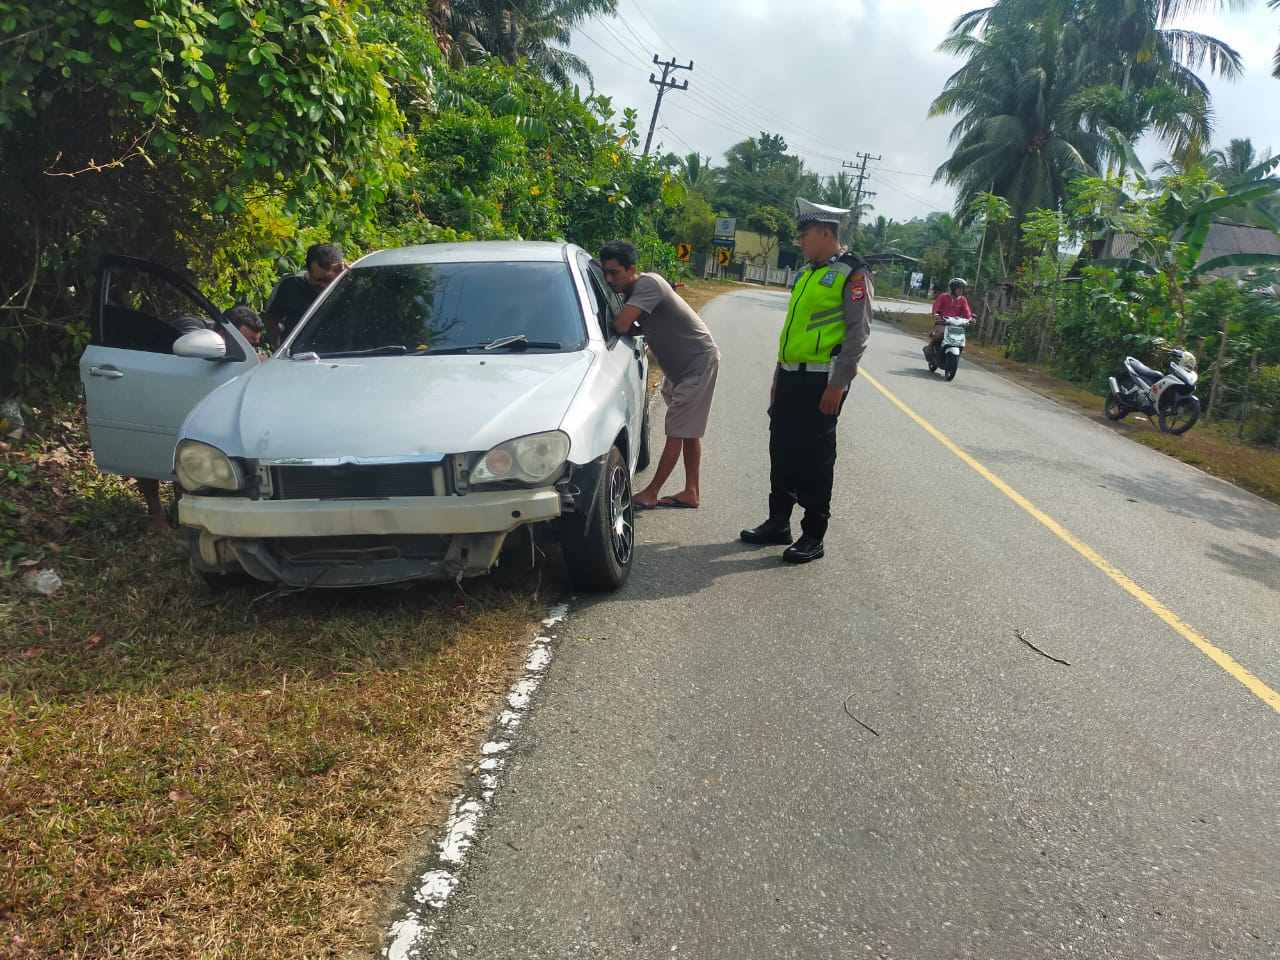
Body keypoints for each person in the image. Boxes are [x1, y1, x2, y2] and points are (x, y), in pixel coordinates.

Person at [739, 199, 873, 564]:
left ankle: (813, 535)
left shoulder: (852, 273)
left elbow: (857, 334)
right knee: (781, 449)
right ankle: (778, 522)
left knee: (816, 458)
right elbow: (792, 332)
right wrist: (777, 375)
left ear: (827, 234)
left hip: (821, 382)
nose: (801, 241)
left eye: (806, 234)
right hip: (789, 376)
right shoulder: (806, 274)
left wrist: (838, 384)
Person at [600, 240, 720, 510]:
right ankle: (691, 492)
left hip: (697, 362)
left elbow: (621, 324)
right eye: (605, 273)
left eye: (614, 272)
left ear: (632, 269)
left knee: (677, 429)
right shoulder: (634, 291)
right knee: (688, 431)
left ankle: (652, 492)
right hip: (681, 368)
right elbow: (634, 327)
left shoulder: (646, 285)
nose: (609, 280)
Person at [263, 243, 346, 345]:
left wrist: (350, 275)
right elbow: (271, 319)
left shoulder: (348, 285)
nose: (324, 285)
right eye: (319, 280)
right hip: (297, 354)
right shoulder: (290, 285)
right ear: (308, 271)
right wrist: (278, 347)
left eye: (328, 280)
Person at [929, 277, 972, 352]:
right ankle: (930, 348)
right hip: (942, 322)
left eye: (962, 289)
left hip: (956, 325)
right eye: (959, 288)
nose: (961, 291)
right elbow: (936, 308)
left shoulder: (963, 300)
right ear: (953, 289)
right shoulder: (943, 296)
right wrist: (936, 315)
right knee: (939, 336)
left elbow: (967, 312)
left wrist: (970, 319)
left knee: (961, 341)